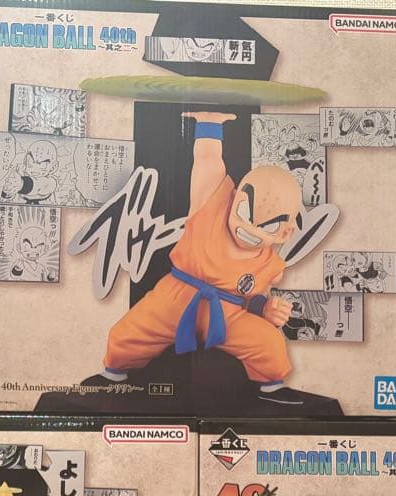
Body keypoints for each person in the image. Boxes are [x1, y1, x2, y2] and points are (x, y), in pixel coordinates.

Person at [99, 111, 306, 405]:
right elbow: (208, 163)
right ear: (234, 198)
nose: (248, 229)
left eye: (267, 226)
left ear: (285, 232)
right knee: (125, 334)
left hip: (228, 313)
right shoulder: (211, 208)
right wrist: (209, 125)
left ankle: (272, 387)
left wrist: (265, 309)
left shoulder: (271, 265)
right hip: (175, 297)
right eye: (244, 213)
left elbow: (252, 299)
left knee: (269, 342)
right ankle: (113, 375)